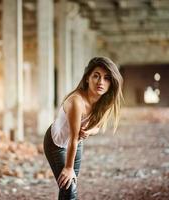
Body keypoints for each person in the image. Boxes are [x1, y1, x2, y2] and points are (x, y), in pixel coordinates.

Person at [43, 57, 124, 200]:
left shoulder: (103, 100)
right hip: (56, 143)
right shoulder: (76, 102)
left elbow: (97, 127)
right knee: (69, 186)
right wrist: (68, 168)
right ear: (87, 78)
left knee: (69, 184)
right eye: (96, 76)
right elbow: (73, 138)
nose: (101, 82)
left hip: (76, 143)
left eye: (106, 78)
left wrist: (88, 131)